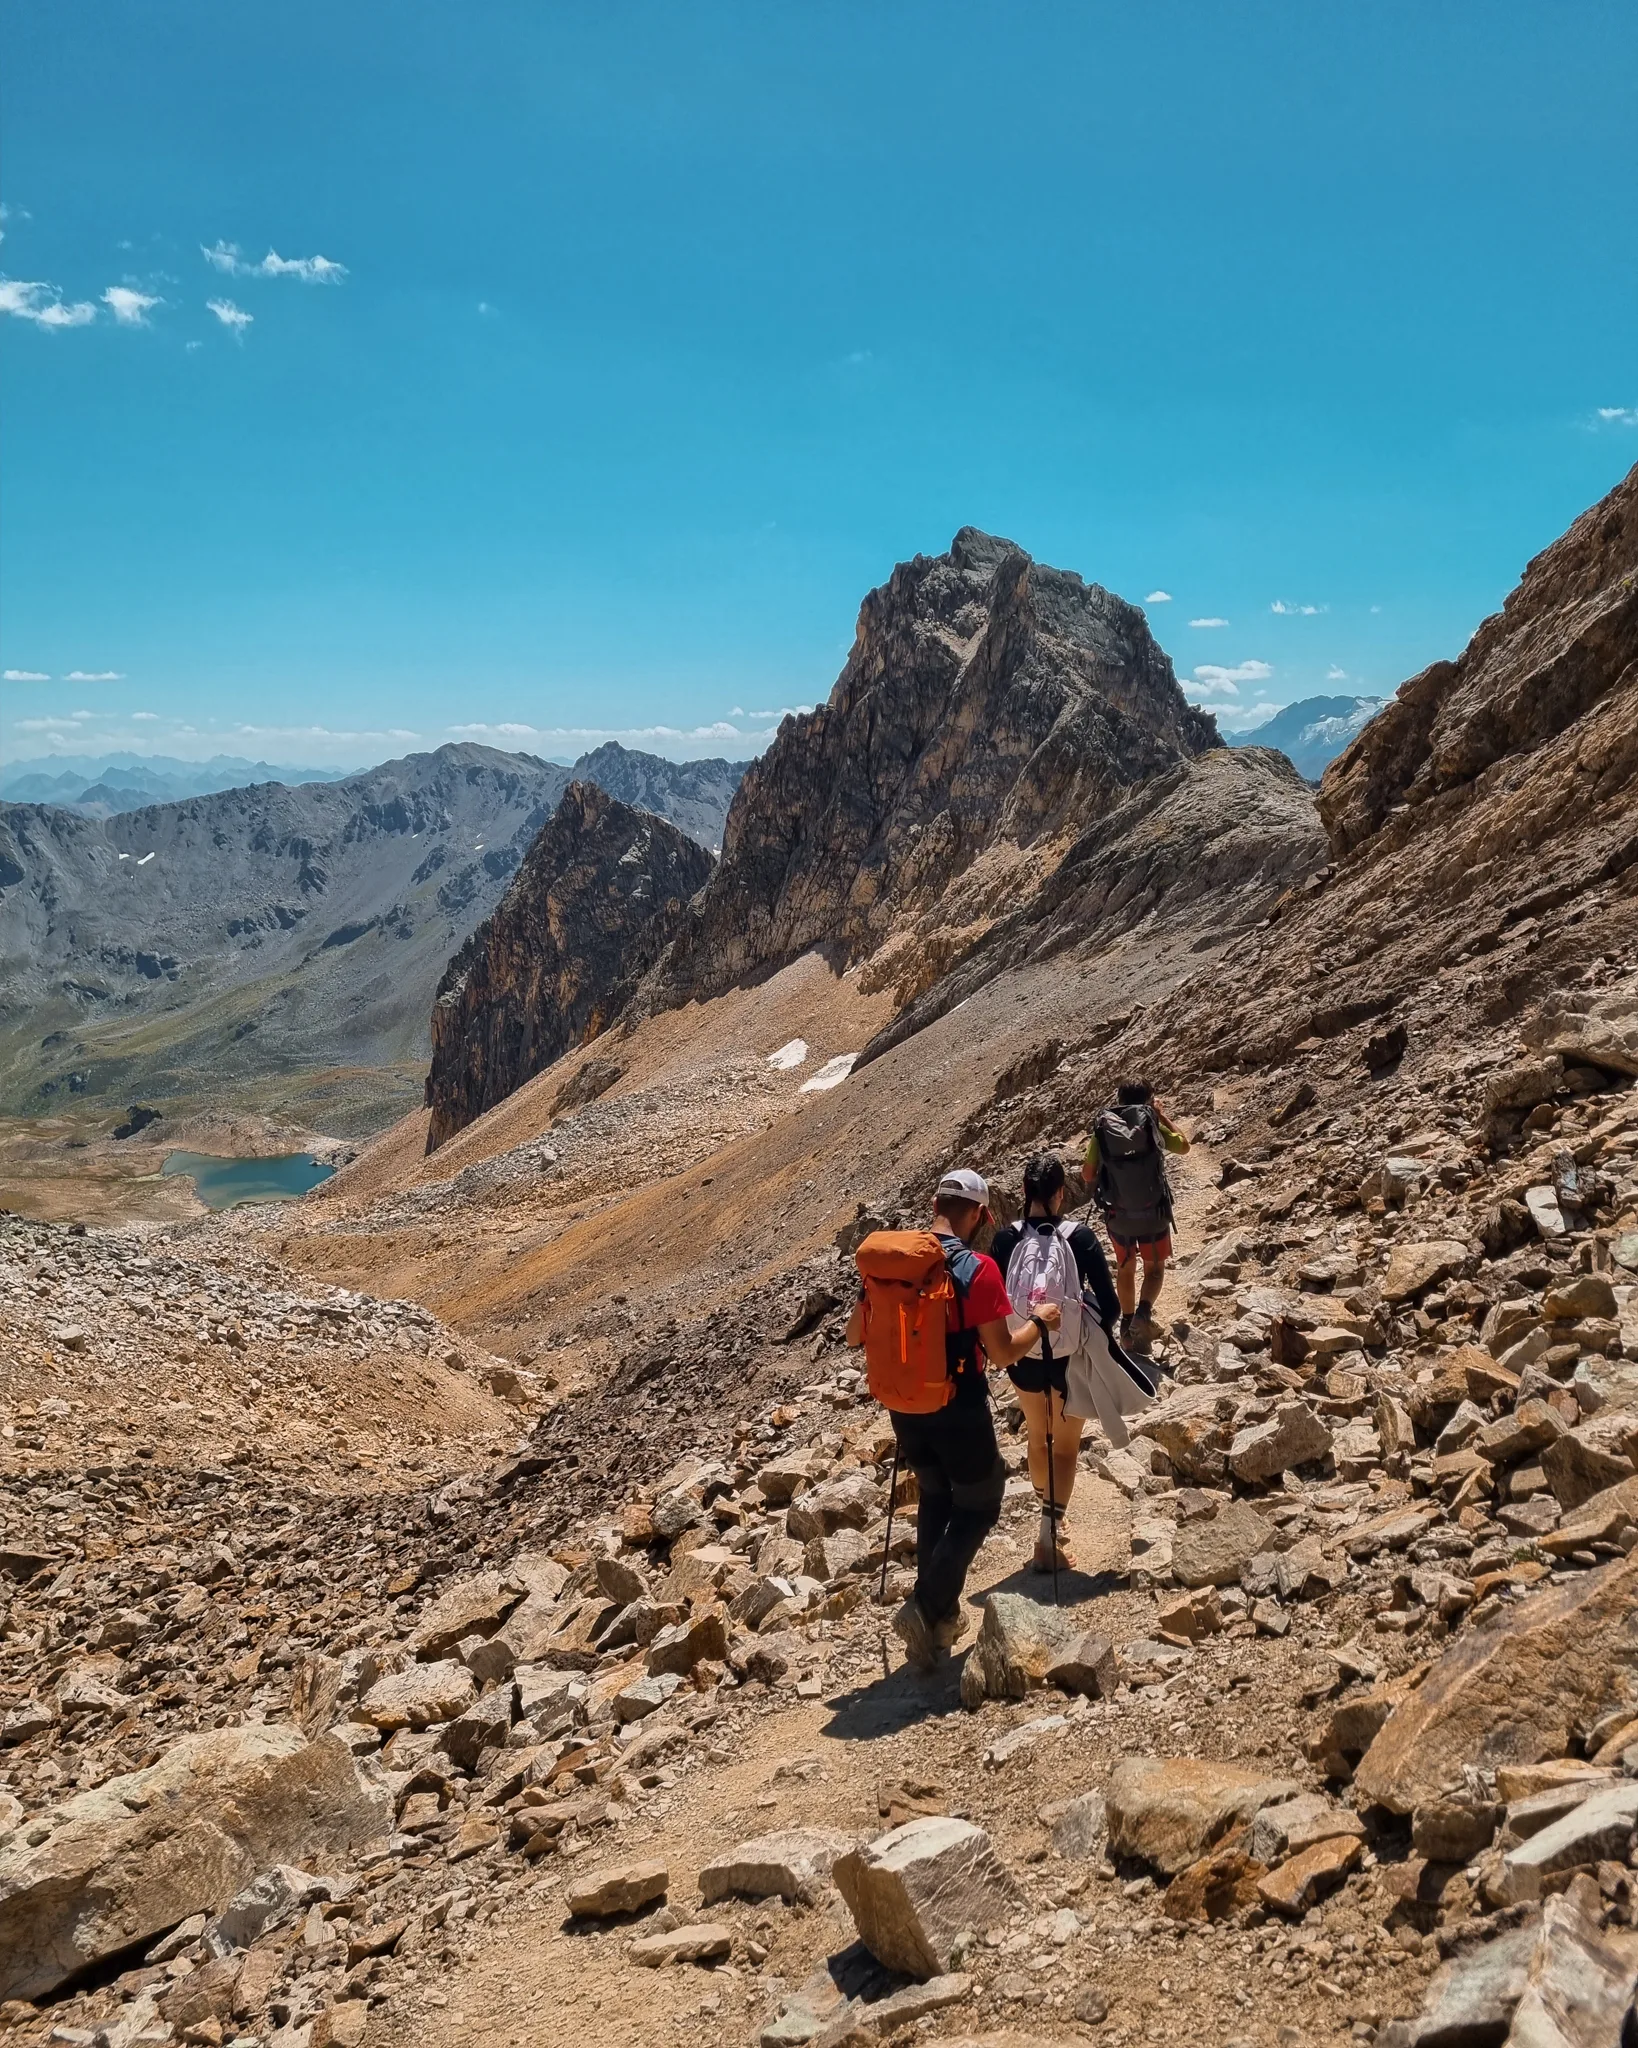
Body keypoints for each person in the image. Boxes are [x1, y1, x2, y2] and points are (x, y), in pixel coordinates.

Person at [846, 1166, 1060, 1671]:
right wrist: (1040, 1322)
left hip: (903, 1410)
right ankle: (923, 1606)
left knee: (938, 1495)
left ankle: (939, 1624)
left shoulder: (894, 1264)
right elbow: (1003, 1353)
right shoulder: (977, 1269)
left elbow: (856, 1335)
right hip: (958, 1405)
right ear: (982, 1214)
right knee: (982, 1504)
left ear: (935, 1202)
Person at [990, 1151, 1121, 1574]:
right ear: (1061, 1194)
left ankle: (1047, 1515)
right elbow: (1113, 1305)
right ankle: (1048, 1534)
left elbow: (993, 1305)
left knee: (1036, 1436)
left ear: (1024, 1193)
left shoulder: (1006, 1241)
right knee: (1065, 1448)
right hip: (1069, 1358)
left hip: (1023, 1352)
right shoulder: (1079, 1238)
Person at [1082, 1081, 1189, 1352]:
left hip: (1119, 1215)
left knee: (1125, 1268)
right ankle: (1144, 1313)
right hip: (1154, 1213)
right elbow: (1184, 1146)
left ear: (1118, 1099)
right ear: (1149, 1100)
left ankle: (1127, 1330)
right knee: (1154, 1269)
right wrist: (1161, 1114)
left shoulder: (1104, 1129)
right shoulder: (1151, 1123)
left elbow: (1086, 1174)